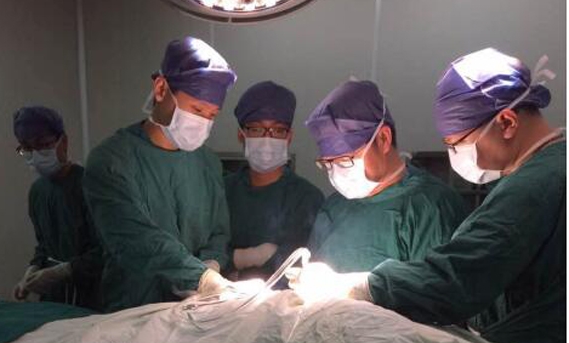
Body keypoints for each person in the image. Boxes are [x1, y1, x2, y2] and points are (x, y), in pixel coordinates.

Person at [292, 49, 565, 343]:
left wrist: (357, 286)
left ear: (507, 123)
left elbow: (458, 278)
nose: (455, 155)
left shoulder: (537, 184)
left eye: (458, 143)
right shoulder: (545, 173)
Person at [84, 37, 238, 313]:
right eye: (197, 109)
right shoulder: (110, 161)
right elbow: (133, 238)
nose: (203, 122)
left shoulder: (208, 162)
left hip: (196, 315)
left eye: (212, 115)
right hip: (132, 312)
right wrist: (200, 278)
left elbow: (218, 231)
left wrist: (212, 264)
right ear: (161, 89)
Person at [305, 80, 466, 273]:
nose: (337, 172)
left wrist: (363, 289)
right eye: (328, 163)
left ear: (383, 139)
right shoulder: (333, 207)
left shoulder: (431, 208)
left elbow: (437, 287)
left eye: (345, 160)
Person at [226, 81, 324, 280]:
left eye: (278, 130)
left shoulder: (307, 198)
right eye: (256, 129)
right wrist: (245, 258)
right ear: (241, 135)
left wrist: (237, 268)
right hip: (217, 296)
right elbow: (205, 250)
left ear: (289, 137)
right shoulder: (223, 190)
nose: (267, 139)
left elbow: (298, 263)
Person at [13, 106, 102, 310]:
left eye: (43, 145)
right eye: (27, 148)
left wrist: (66, 270)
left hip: (92, 293)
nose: (36, 155)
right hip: (55, 295)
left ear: (64, 142)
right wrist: (33, 269)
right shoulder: (37, 192)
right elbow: (44, 244)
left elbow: (106, 250)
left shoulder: (91, 186)